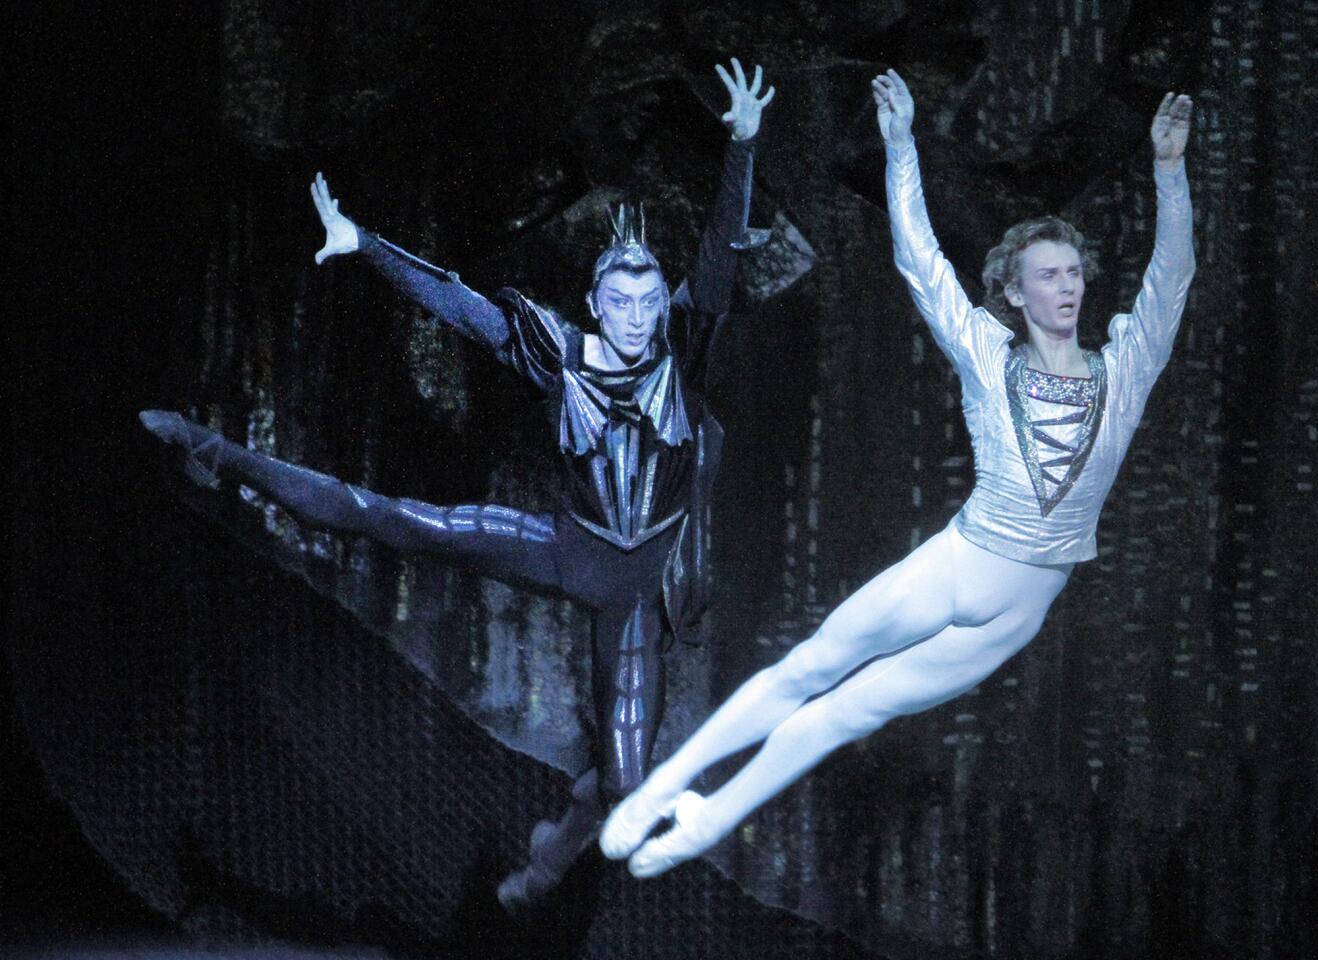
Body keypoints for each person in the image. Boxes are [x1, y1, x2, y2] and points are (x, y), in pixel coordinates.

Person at [140, 58, 775, 910]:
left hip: (635, 591)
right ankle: (209, 447)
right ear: (595, 302)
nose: (637, 317)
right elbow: (460, 305)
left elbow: (721, 263)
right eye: (621, 302)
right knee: (390, 519)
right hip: (564, 549)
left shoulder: (682, 354)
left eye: (650, 300)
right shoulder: (560, 356)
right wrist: (362, 244)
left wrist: (741, 143)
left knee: (624, 786)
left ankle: (553, 855)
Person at [600, 69, 1195, 878]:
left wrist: (1168, 170)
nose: (1068, 285)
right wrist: (901, 147)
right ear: (1015, 295)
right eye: (1048, 274)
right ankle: (658, 789)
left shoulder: (1125, 367)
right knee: (811, 668)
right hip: (961, 565)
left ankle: (705, 823)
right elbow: (920, 261)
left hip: (1023, 606)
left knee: (851, 711)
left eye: (1075, 272)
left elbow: (1171, 279)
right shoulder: (990, 356)